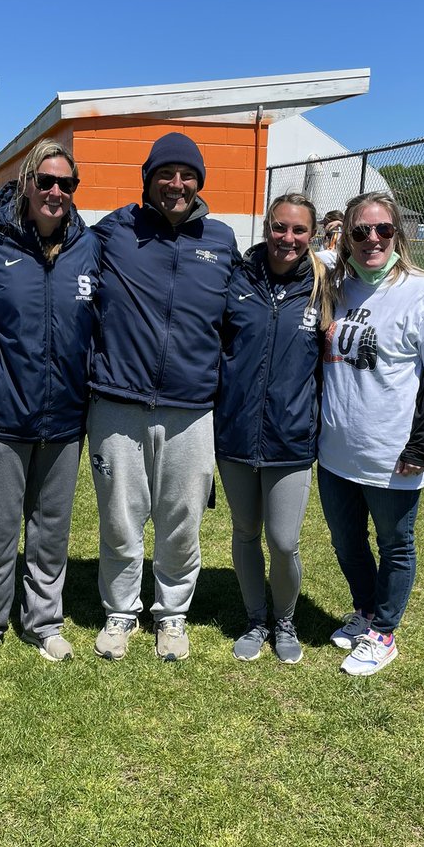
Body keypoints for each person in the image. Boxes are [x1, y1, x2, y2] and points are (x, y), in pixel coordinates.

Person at [89, 132, 241, 662]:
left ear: (200, 181)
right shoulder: (113, 231)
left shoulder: (221, 241)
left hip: (191, 407)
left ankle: (172, 616)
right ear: (148, 180)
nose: (176, 184)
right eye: (165, 174)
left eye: (186, 174)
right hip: (117, 400)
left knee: (182, 518)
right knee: (120, 517)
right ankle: (121, 612)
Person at [0, 140, 100, 666]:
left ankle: (44, 620)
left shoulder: (88, 246)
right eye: (46, 181)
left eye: (67, 184)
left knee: (51, 532)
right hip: (0, 415)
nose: (57, 192)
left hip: (65, 417)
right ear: (26, 184)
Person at [318, 191, 424, 675]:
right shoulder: (338, 286)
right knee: (346, 541)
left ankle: (385, 632)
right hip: (336, 449)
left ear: (398, 234)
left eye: (383, 230)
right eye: (361, 231)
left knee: (395, 544)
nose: (373, 239)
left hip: (392, 452)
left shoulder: (423, 291)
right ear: (347, 239)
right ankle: (364, 612)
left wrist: (423, 445)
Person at [215, 195, 331, 663]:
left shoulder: (326, 289)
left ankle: (284, 620)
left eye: (299, 231)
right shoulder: (237, 280)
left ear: (313, 235)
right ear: (267, 227)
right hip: (237, 435)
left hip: (291, 438)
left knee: (283, 541)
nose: (288, 238)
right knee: (245, 532)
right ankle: (255, 618)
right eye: (280, 228)